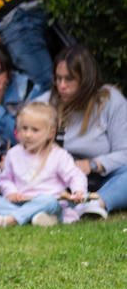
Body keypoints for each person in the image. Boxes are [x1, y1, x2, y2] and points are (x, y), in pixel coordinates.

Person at [0, 101, 86, 228]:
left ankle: (10, 220)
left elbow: (75, 175)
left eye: (35, 130)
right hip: (21, 202)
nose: (27, 134)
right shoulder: (13, 153)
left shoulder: (59, 155)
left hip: (49, 203)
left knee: (48, 201)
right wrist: (11, 192)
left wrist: (78, 191)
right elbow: (5, 179)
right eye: (24, 128)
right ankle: (36, 218)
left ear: (50, 133)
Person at [49, 45, 127, 220]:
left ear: (86, 79)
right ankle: (68, 205)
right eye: (58, 78)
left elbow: (124, 152)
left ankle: (97, 204)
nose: (62, 86)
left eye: (69, 79)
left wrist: (92, 164)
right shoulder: (50, 101)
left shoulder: (111, 100)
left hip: (102, 177)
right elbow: (26, 130)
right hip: (62, 177)